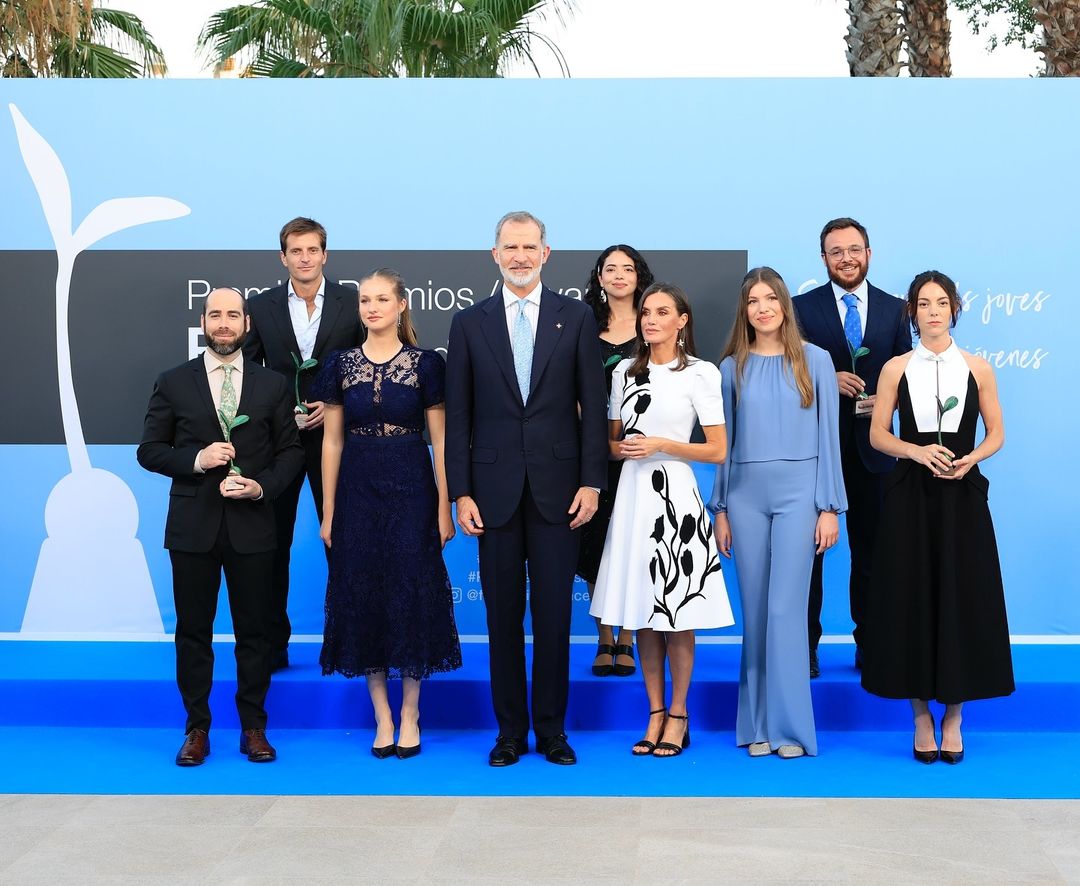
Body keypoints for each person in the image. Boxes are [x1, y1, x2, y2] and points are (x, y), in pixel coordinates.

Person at [445, 211, 608, 767]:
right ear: (495, 255)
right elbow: (459, 418)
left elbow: (593, 412)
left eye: (529, 247)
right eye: (509, 247)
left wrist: (592, 481)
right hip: (490, 496)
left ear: (546, 253)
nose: (519, 256)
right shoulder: (469, 323)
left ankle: (553, 732)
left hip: (560, 493)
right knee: (501, 618)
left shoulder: (577, 317)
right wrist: (459, 493)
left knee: (556, 618)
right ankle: (509, 732)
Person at [137, 287, 305, 766]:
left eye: (234, 315)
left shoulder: (272, 384)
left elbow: (292, 453)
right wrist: (196, 458)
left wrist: (260, 488)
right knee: (194, 632)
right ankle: (196, 729)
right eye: (216, 315)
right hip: (193, 527)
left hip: (253, 525)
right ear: (204, 323)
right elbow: (149, 450)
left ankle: (253, 727)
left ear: (246, 324)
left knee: (255, 632)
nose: (225, 323)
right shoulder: (173, 382)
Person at [861, 270, 1013, 764]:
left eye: (940, 303)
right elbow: (878, 435)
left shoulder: (978, 368)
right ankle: (921, 716)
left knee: (959, 598)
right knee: (912, 600)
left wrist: (971, 459)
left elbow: (995, 433)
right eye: (922, 303)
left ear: (954, 309)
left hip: (961, 497)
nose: (931, 311)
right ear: (912, 312)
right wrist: (916, 451)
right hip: (910, 497)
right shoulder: (895, 368)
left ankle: (954, 716)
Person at [312, 269, 462, 759]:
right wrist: (329, 509)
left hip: (413, 486)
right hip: (357, 489)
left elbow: (440, 441)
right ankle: (382, 716)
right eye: (363, 300)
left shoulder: (426, 364)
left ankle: (412, 713)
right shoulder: (340, 364)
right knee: (364, 595)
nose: (371, 307)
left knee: (411, 593)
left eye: (381, 299)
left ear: (401, 305)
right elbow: (331, 441)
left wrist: (444, 505)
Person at [590, 283, 733, 757]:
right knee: (644, 612)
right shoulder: (625, 374)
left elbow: (717, 449)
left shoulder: (701, 373)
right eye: (646, 312)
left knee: (677, 613)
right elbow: (609, 445)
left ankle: (679, 714)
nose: (651, 319)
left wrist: (661, 444)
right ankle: (653, 713)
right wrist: (626, 448)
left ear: (682, 320)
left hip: (675, 493)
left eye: (662, 312)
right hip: (632, 496)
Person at [710, 267, 847, 759]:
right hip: (744, 497)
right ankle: (757, 725)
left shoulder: (817, 361)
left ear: (785, 305)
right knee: (757, 612)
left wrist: (829, 506)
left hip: (800, 496)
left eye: (771, 298)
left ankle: (790, 728)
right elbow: (722, 449)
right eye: (753, 300)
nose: (763, 307)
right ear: (744, 311)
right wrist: (720, 508)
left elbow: (830, 439)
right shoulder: (730, 368)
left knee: (787, 610)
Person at [244, 217, 364, 672]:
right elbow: (249, 372)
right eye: (296, 251)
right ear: (283, 257)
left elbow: (367, 367)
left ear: (325, 255)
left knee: (344, 541)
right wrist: (277, 414)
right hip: (277, 445)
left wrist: (337, 407)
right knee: (272, 544)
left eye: (313, 250)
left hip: (339, 440)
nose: (305, 258)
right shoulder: (262, 305)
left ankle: (347, 639)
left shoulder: (352, 303)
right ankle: (273, 644)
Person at [793, 218, 911, 678]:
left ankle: (872, 644)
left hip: (876, 452)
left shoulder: (897, 310)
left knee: (874, 555)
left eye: (854, 249)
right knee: (808, 557)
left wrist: (888, 398)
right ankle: (804, 647)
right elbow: (788, 375)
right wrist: (826, 379)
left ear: (869, 253)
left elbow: (909, 374)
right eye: (836, 251)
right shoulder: (800, 309)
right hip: (814, 451)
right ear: (824, 259)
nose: (846, 258)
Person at [578, 244, 655, 678]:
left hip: (642, 453)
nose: (620, 275)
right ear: (600, 277)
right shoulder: (581, 324)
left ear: (639, 275)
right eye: (611, 269)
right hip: (593, 450)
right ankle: (605, 637)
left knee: (635, 542)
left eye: (628, 268)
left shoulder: (653, 322)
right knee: (598, 543)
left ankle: (629, 638)